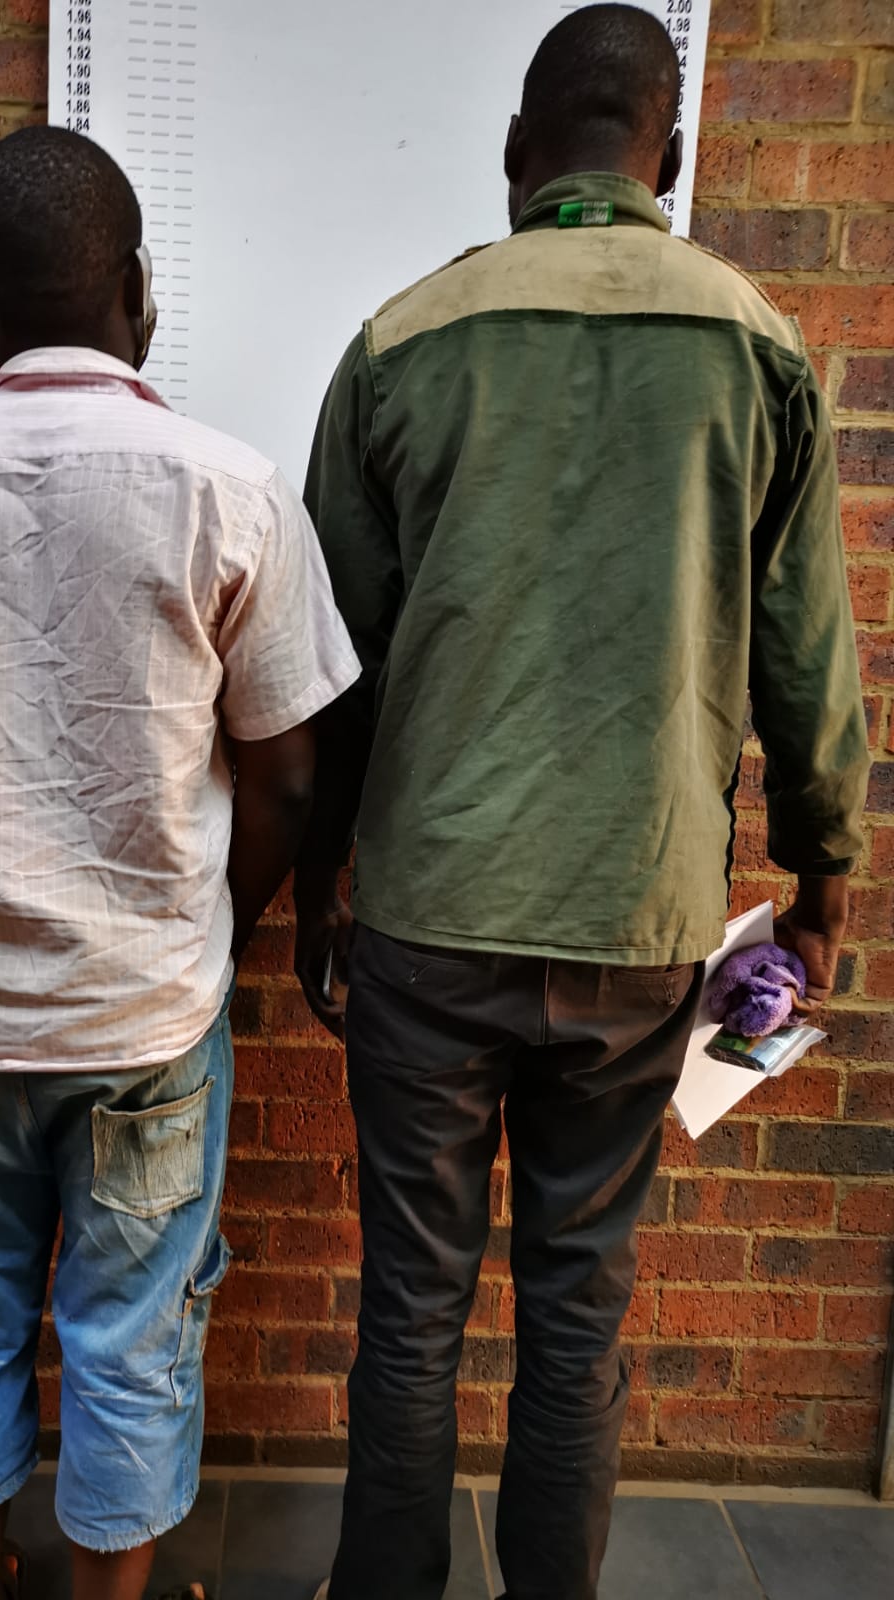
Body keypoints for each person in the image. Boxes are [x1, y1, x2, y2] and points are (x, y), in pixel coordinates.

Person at [293, 8, 870, 1600]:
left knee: (412, 1312)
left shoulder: (404, 341)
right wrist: (823, 888)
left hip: (430, 917)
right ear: (664, 162)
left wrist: (316, 880)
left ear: (514, 154)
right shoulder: (758, 348)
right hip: (637, 921)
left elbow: (327, 667)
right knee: (576, 1313)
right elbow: (809, 661)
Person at [0, 125, 359, 1600]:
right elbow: (291, 775)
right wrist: (208, 924)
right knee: (133, 1338)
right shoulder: (232, 489)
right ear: (140, 289)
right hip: (145, 1013)